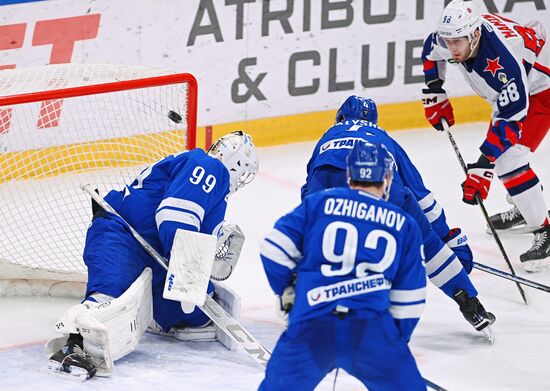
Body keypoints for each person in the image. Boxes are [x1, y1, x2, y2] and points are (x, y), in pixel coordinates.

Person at [45, 131, 259, 379]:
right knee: (108, 300)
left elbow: (190, 241)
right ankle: (73, 343)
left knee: (194, 318)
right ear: (235, 161)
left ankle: (151, 312)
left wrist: (197, 279)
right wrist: (187, 276)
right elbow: (172, 217)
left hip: (156, 253)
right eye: (243, 171)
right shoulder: (209, 167)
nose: (240, 179)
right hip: (122, 234)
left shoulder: (216, 194)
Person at [301, 95, 495, 337]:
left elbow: (309, 187)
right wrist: (446, 237)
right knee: (428, 246)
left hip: (328, 189)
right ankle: (470, 305)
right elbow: (422, 197)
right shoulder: (385, 139)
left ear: (339, 116)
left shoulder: (328, 137)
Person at [260, 141, 427, 390]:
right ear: (388, 178)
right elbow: (410, 298)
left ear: (349, 175)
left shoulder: (318, 204)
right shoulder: (404, 225)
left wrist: (288, 292)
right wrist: (391, 344)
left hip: (312, 323)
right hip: (370, 329)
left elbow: (273, 248)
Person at [421, 0, 550, 271]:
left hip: (542, 89)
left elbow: (511, 119)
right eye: (449, 40)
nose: (452, 48)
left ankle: (545, 231)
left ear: (475, 34)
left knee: (508, 158)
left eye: (458, 41)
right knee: (506, 155)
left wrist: (483, 164)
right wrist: (435, 88)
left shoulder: (503, 63)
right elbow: (430, 50)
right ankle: (525, 206)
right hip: (521, 84)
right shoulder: (455, 37)